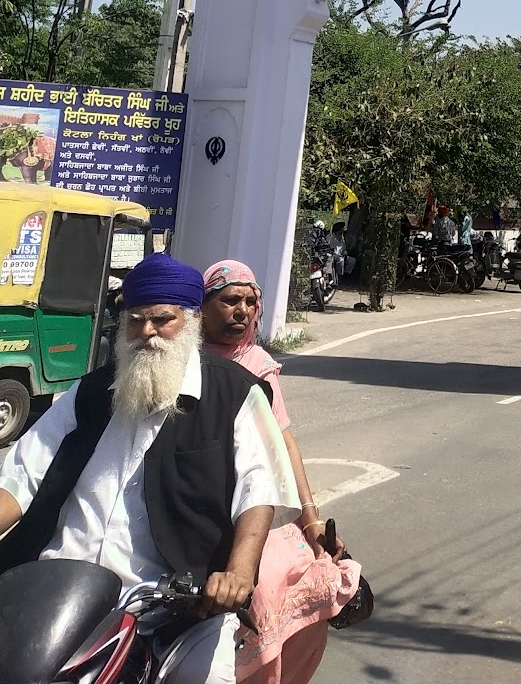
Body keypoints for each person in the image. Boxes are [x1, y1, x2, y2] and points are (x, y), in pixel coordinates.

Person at [0, 253, 298, 684]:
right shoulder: (88, 394)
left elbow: (259, 488)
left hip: (175, 609)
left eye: (162, 320)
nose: (146, 332)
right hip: (57, 599)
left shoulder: (235, 393)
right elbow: (20, 477)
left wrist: (238, 573)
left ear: (191, 320)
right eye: (135, 320)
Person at [201, 261, 363, 684]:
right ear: (202, 306)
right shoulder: (180, 358)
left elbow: (284, 443)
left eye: (250, 301)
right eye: (229, 300)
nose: (242, 310)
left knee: (281, 587)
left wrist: (310, 521)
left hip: (255, 507)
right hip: (195, 499)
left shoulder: (258, 364)